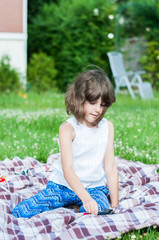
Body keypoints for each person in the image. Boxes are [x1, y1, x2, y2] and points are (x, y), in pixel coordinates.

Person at [11, 67, 119, 218]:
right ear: (80, 98)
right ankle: (74, 204)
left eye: (103, 104)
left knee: (99, 213)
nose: (98, 109)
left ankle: (77, 207)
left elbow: (111, 167)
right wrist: (85, 199)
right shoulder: (68, 129)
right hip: (62, 186)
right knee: (21, 212)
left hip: (95, 188)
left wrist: (114, 204)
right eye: (93, 102)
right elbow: (67, 169)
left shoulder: (107, 127)